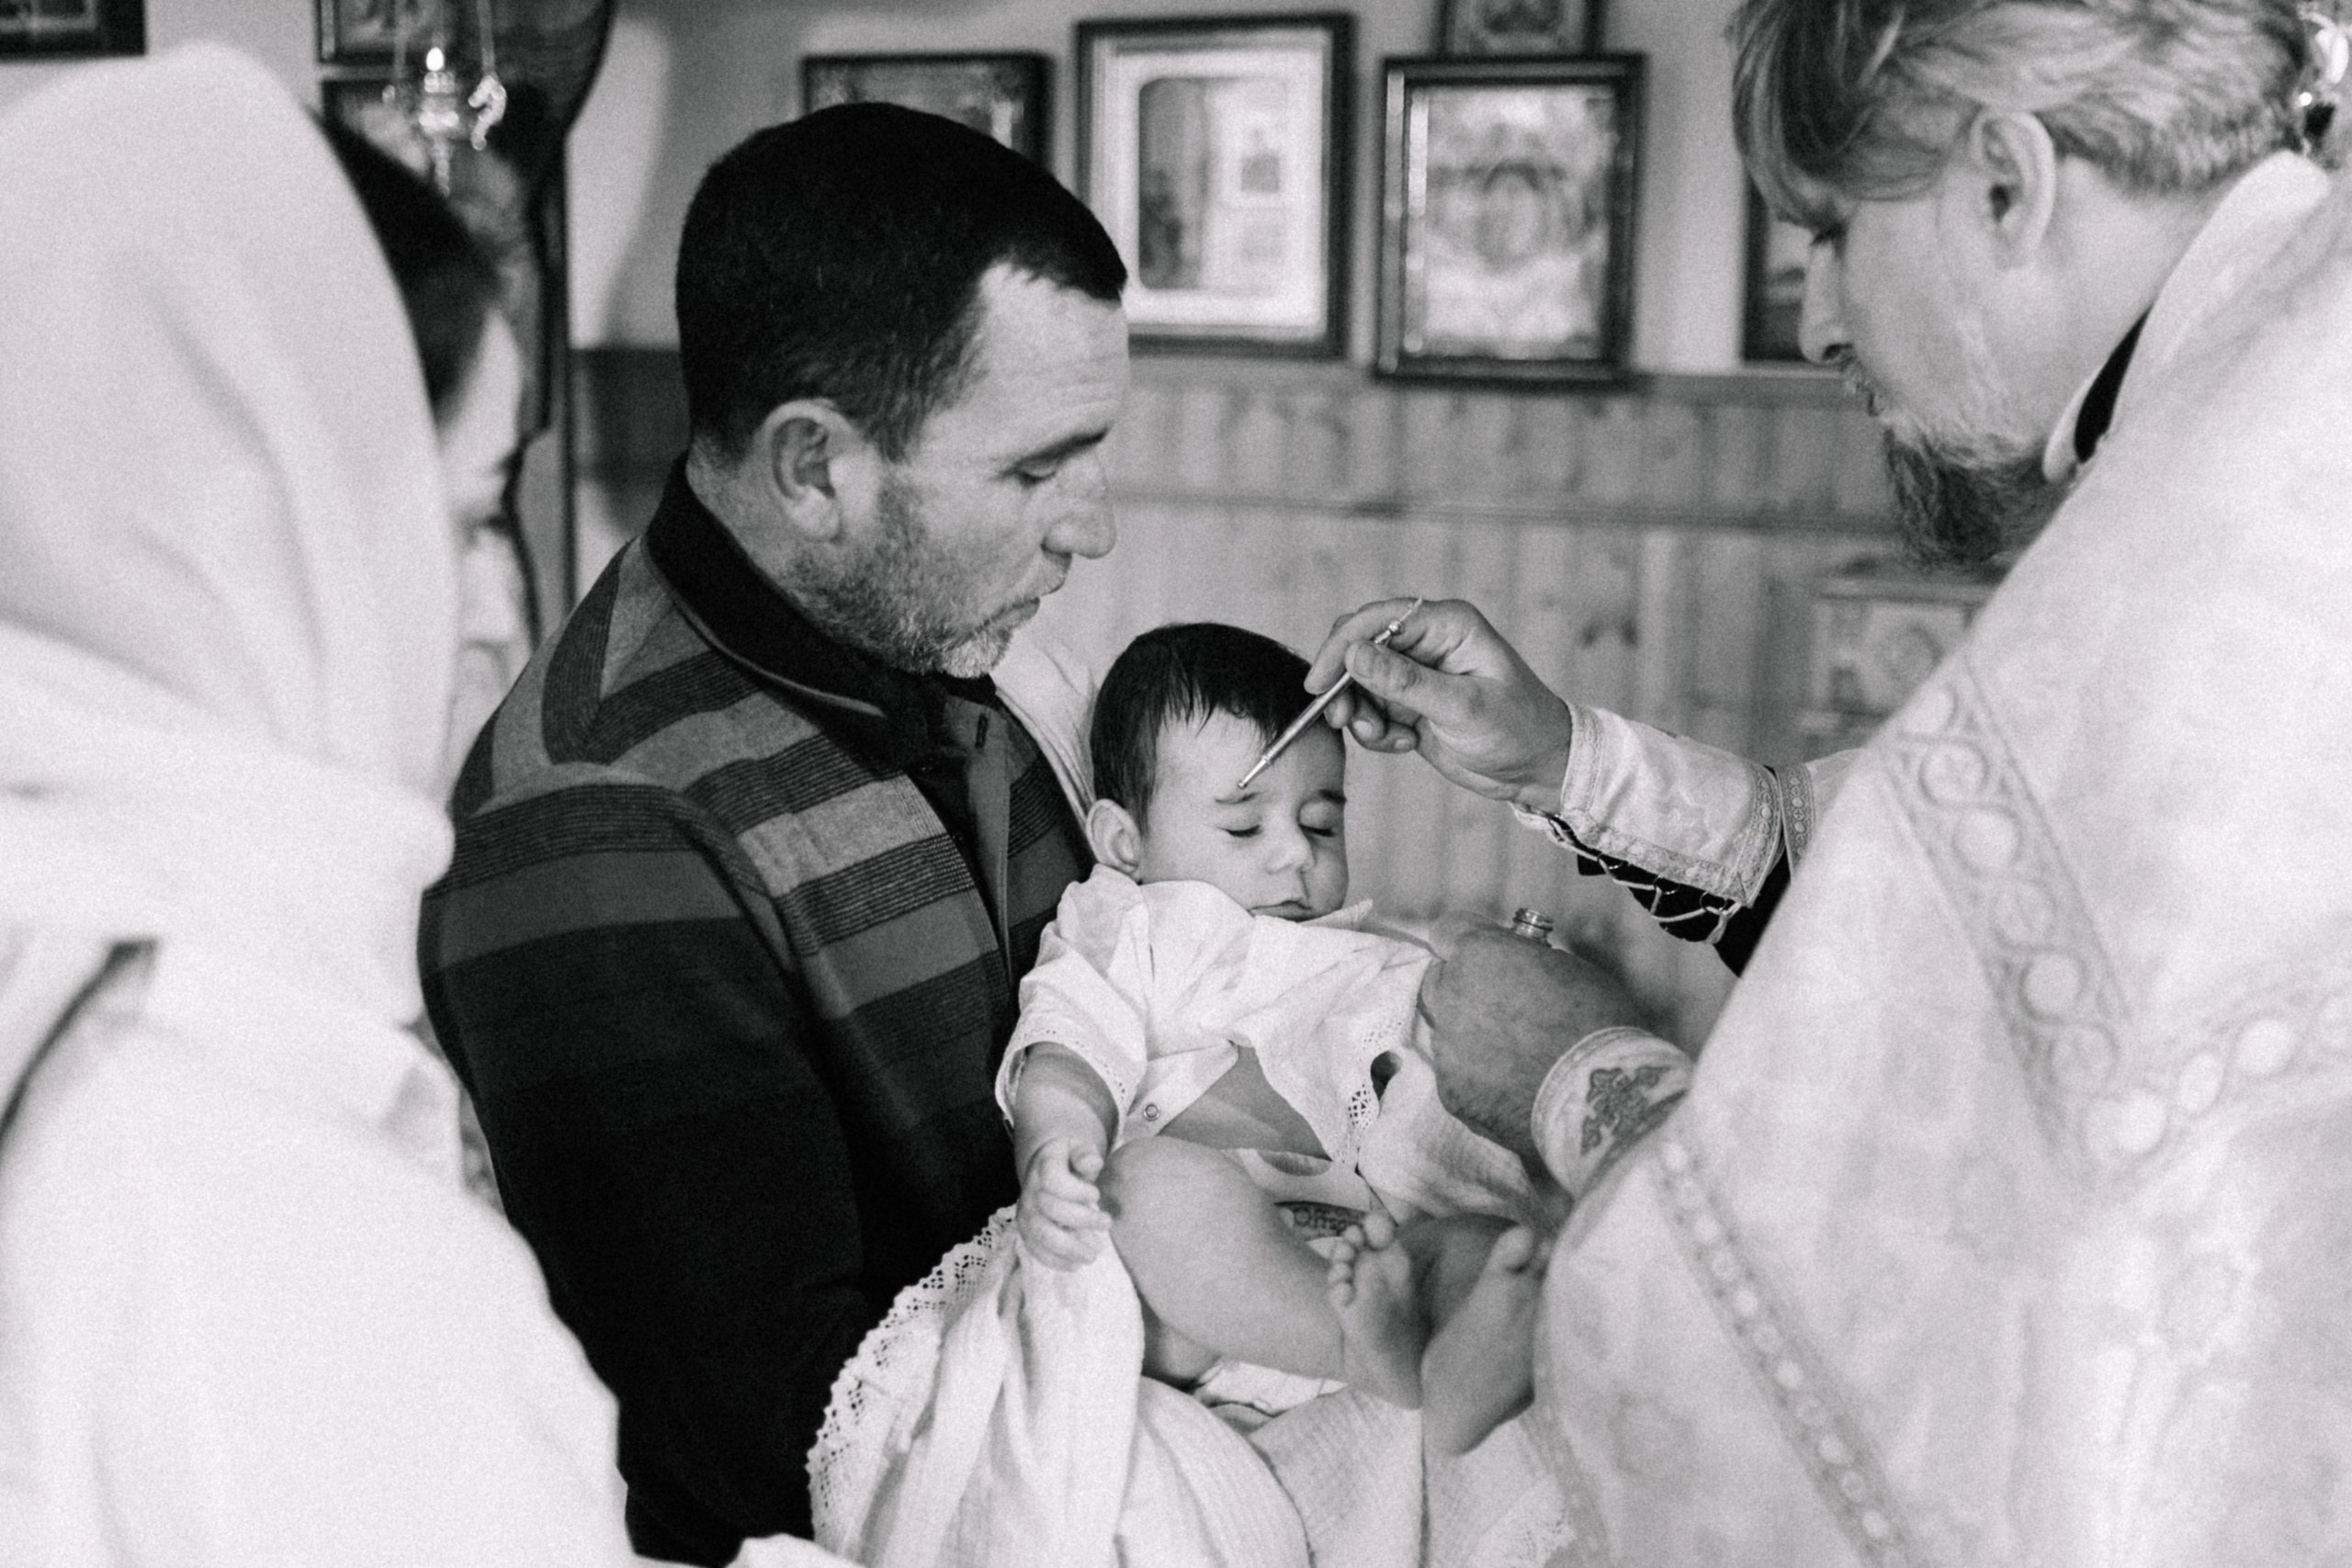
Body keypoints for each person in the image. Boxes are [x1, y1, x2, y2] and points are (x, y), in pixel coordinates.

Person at [1313, 0, 2352, 1554]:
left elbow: (1911, 1355)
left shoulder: (2209, 561)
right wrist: (1560, 756)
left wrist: (1574, 1074)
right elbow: (1952, 880)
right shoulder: (2266, 405)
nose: (1813, 317)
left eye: (1828, 229)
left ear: (2008, 182)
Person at [418, 103, 1130, 1561]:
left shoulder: (953, 627)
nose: (1090, 528)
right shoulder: (592, 826)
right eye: (1036, 470)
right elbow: (782, 1450)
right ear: (815, 469)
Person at [0, 45, 639, 1567]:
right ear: (260, 531)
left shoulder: (89, 936)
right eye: (471, 518)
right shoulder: (248, 1210)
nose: (498, 614)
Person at [1001, 622, 1546, 1454]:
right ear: (1123, 840)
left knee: (1483, 1245)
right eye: (1244, 828)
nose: (1295, 853)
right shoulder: (1130, 927)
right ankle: (1359, 1348)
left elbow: (1434, 1074)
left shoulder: (1352, 952)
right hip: (1203, 1308)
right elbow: (1066, 1045)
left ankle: (1457, 1366)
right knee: (1145, 1190)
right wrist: (1058, 1152)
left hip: (1362, 1252)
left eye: (1322, 823)